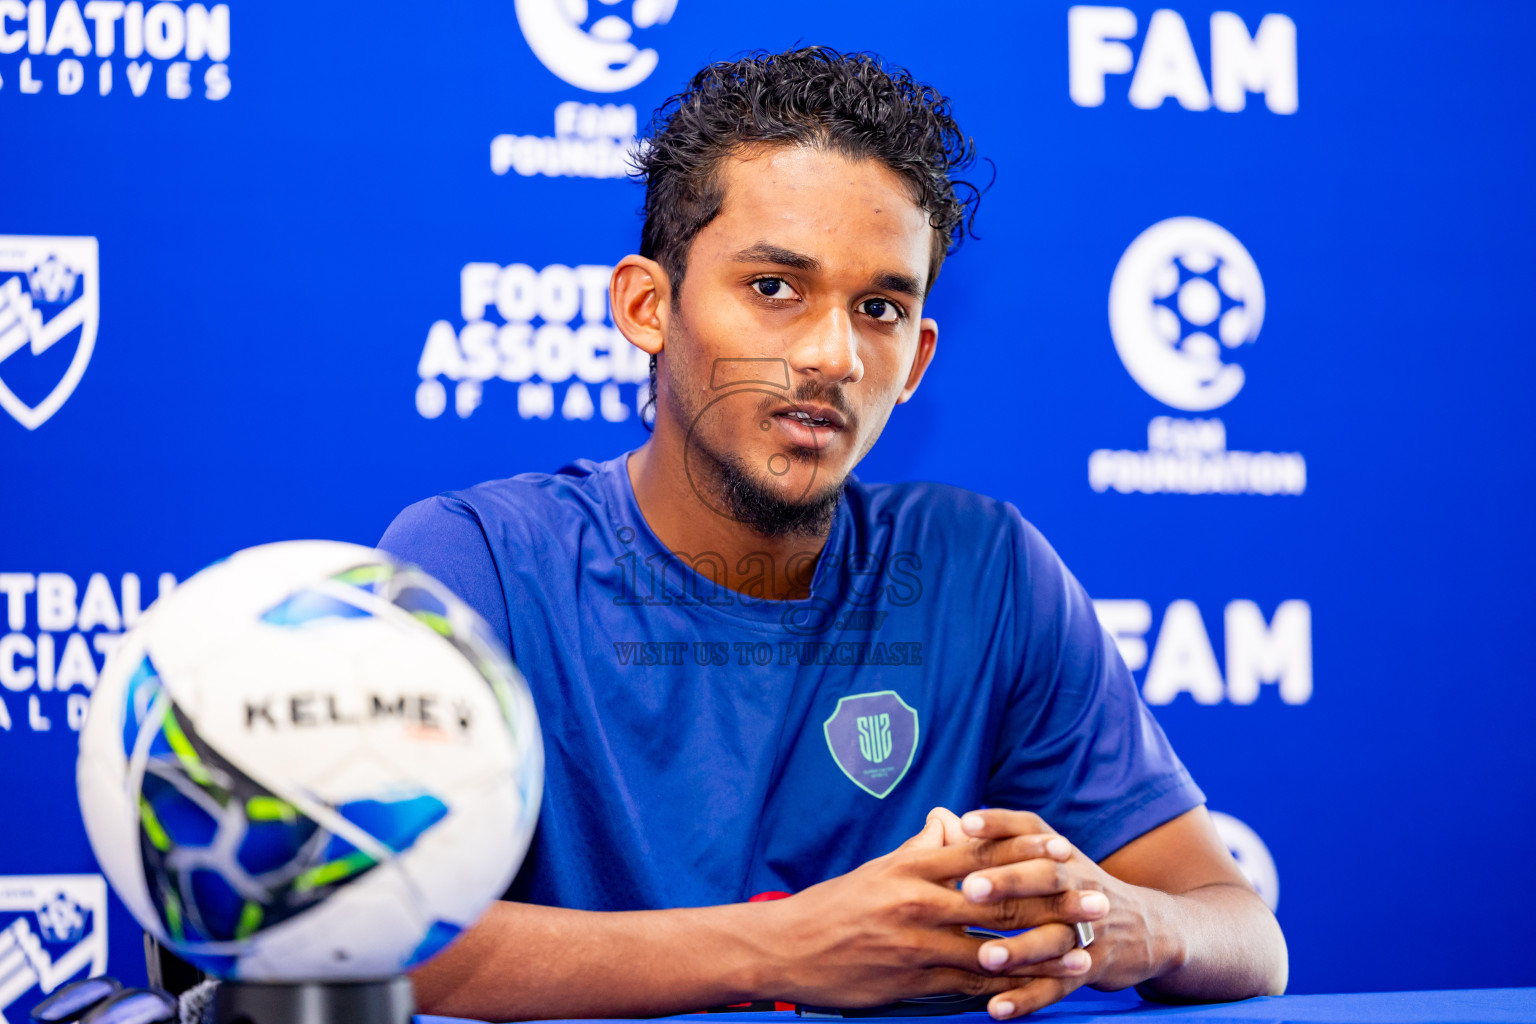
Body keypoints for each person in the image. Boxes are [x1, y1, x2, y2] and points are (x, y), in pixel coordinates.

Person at [379, 46, 1286, 1022]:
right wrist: (787, 948)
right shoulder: (475, 561)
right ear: (648, 305)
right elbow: (371, 928)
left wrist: (1110, 919)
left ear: (916, 359)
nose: (831, 355)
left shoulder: (984, 570)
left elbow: (1244, 931)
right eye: (775, 288)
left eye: (881, 307)